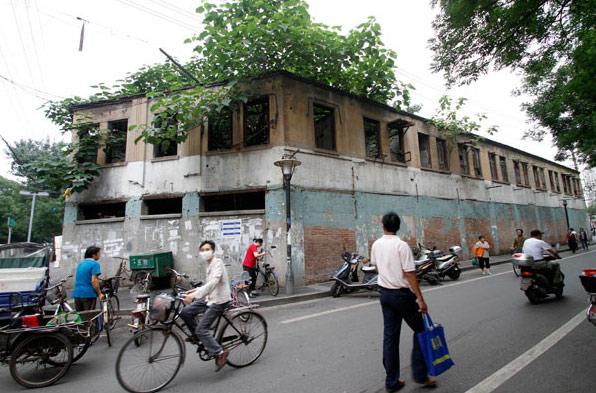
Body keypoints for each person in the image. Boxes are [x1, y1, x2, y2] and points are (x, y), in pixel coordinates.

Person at [371, 212, 436, 392]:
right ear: (398, 227)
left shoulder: (376, 244)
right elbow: (409, 273)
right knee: (421, 330)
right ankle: (421, 375)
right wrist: (420, 299)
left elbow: (377, 267)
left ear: (383, 226)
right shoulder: (401, 246)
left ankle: (392, 381)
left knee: (390, 337)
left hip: (385, 295)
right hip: (401, 294)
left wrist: (387, 275)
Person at [180, 240, 231, 372]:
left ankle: (220, 353)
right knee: (185, 312)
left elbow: (214, 282)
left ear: (213, 251)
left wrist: (195, 295)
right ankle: (200, 339)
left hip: (219, 300)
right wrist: (194, 291)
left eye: (207, 249)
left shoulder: (217, 263)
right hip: (209, 298)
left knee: (201, 329)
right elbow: (208, 284)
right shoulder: (208, 264)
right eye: (202, 250)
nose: (204, 252)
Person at [72, 246, 104, 311]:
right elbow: (94, 280)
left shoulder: (81, 264)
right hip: (88, 293)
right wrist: (99, 294)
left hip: (77, 293)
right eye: (99, 253)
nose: (100, 254)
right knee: (89, 316)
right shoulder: (95, 264)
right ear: (93, 255)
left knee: (81, 317)